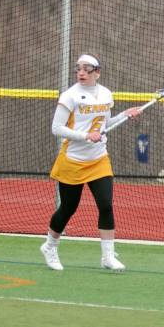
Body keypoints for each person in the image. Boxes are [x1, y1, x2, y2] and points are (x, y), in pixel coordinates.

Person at [40, 53, 141, 271]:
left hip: (98, 159)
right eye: (79, 68)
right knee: (68, 208)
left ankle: (107, 257)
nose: (81, 73)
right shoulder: (70, 96)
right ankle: (50, 246)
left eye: (87, 69)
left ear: (97, 72)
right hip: (73, 160)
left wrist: (125, 114)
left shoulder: (105, 94)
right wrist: (85, 136)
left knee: (105, 205)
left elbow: (104, 124)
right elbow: (56, 128)